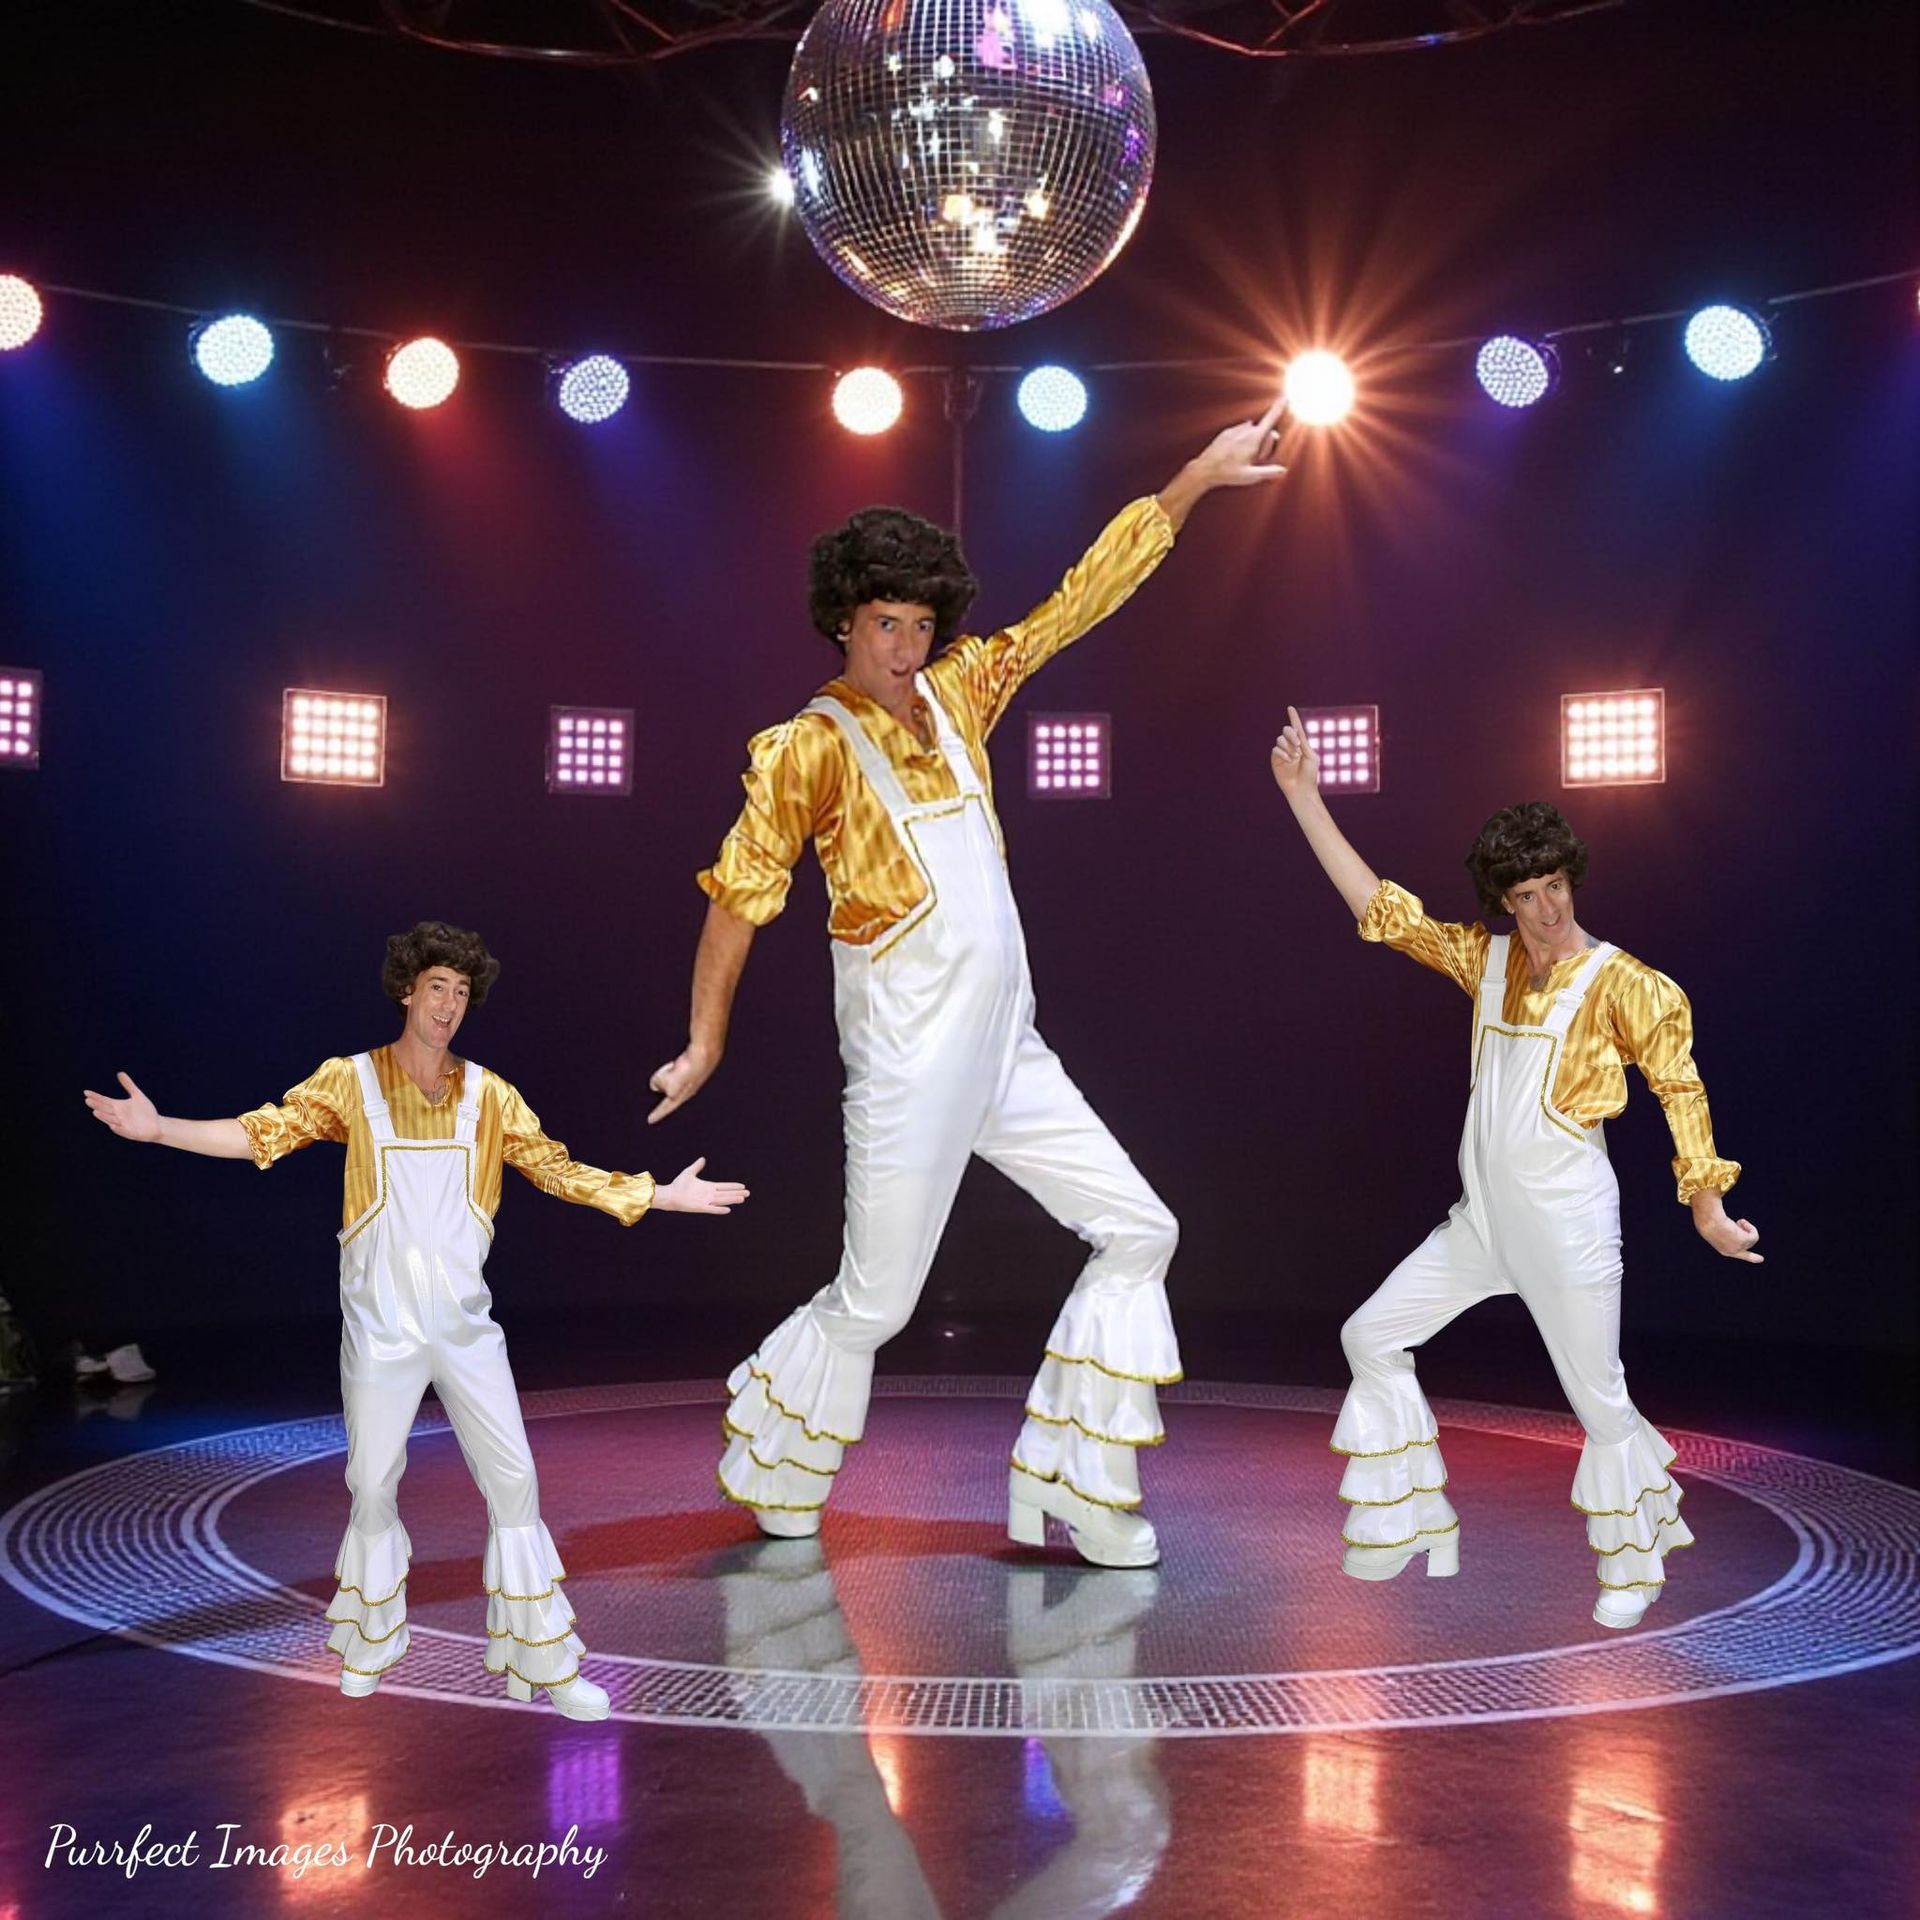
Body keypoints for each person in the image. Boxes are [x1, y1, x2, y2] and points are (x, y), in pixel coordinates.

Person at [649, 409, 1288, 1568]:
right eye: (884, 623)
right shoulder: (807, 748)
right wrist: (705, 1042)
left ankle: (1075, 1488)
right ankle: (778, 1464)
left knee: (1143, 1229)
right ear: (843, 619)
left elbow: (1078, 602)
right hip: (908, 1062)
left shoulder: (962, 692)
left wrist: (1194, 477)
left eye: (921, 623)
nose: (905, 645)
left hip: (1007, 1049)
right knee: (876, 1305)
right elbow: (739, 897)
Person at [84, 920, 747, 1716]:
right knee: (371, 1484)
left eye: (461, 992)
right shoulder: (351, 1082)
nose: (449, 1004)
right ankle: (370, 1640)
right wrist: (160, 1128)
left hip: (465, 1329)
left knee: (516, 1483)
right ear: (407, 990)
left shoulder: (490, 1094)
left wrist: (659, 1194)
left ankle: (544, 1662)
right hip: (382, 1332)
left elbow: (558, 1170)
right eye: (437, 986)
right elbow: (262, 1134)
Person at [1268, 709, 1759, 1628]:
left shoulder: (1625, 983)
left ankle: (1634, 1567)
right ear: (1505, 900)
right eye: (1528, 893)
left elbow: (1680, 1090)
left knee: (1598, 1402)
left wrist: (1707, 1209)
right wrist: (1304, 798)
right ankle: (1414, 1522)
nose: (1548, 908)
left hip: (1568, 1228)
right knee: (1369, 1337)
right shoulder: (1485, 960)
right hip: (1484, 1223)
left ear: (1573, 879)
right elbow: (1382, 911)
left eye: (1557, 885)